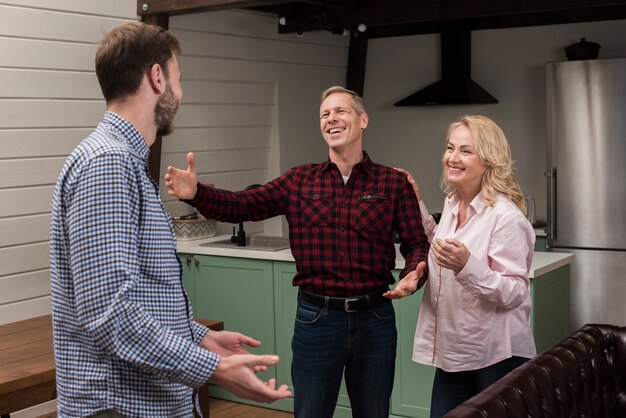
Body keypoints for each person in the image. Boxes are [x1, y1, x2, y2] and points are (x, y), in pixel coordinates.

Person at [49, 22, 291, 418]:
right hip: (123, 408)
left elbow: (141, 298)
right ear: (156, 77)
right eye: (179, 79)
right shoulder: (107, 164)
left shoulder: (122, 161)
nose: (181, 93)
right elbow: (111, 315)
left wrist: (199, 338)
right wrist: (214, 368)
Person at [164, 86, 430, 418]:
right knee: (310, 413)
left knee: (374, 413)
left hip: (375, 317)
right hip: (316, 319)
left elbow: (417, 243)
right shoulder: (299, 181)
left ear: (363, 120)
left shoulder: (393, 183)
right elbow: (243, 205)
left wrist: (413, 274)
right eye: (324, 114)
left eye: (341, 111)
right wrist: (197, 194)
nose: (331, 118)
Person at [396, 115, 536, 417]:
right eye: (450, 148)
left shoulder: (506, 218)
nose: (453, 158)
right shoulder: (453, 203)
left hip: (498, 354)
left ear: (488, 160)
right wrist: (417, 203)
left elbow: (514, 292)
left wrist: (466, 266)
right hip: (458, 348)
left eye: (465, 150)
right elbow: (442, 247)